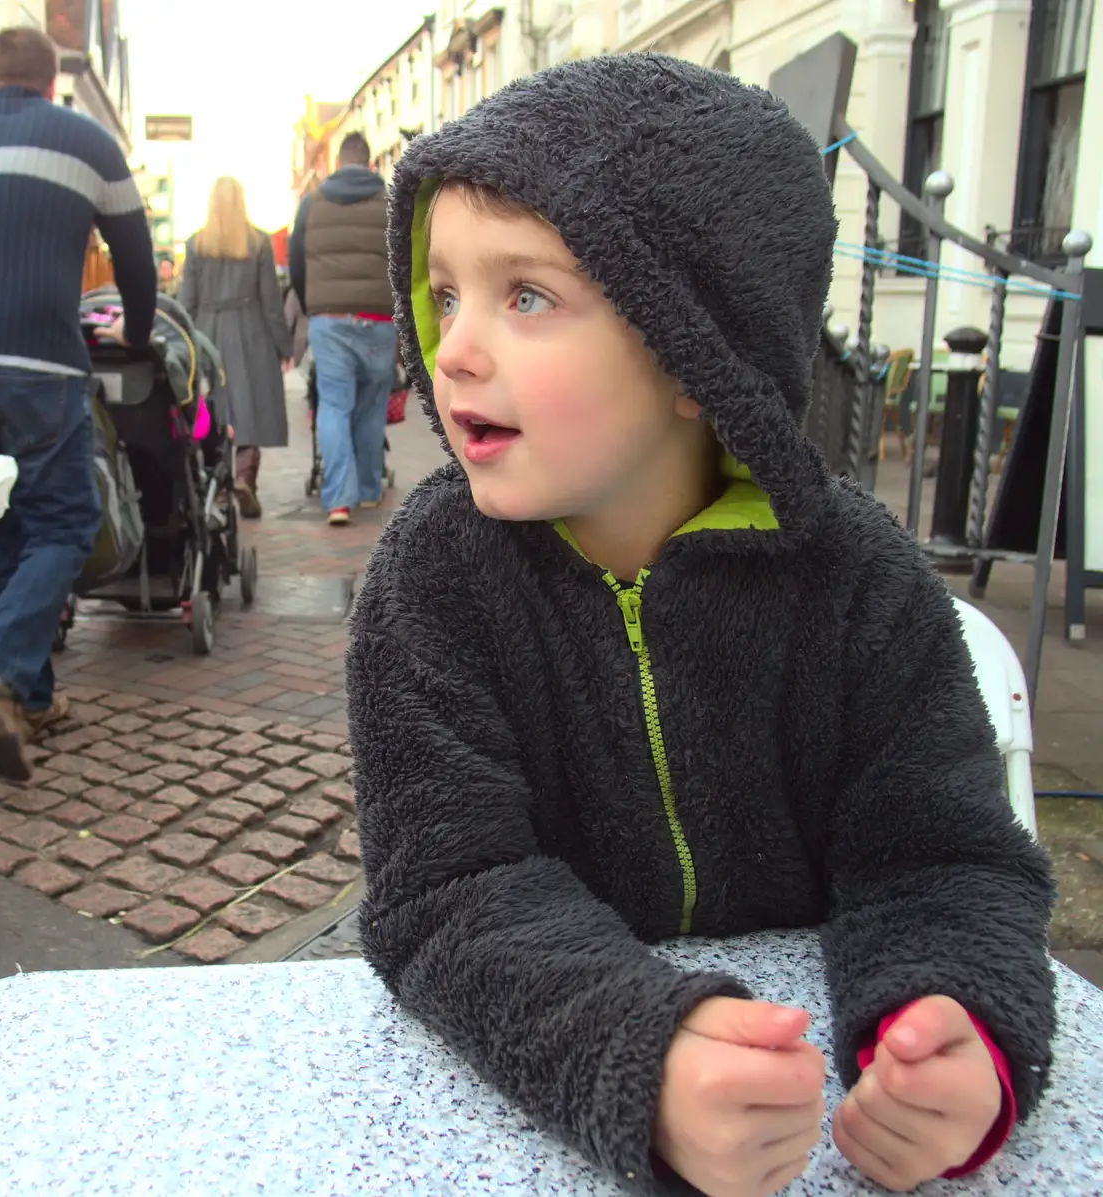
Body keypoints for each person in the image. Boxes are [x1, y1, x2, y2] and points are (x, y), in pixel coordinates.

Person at [348, 55, 1054, 1197]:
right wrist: (639, 1055)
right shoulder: (436, 584)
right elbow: (448, 893)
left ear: (696, 352)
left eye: (525, 295)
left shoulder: (857, 583)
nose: (453, 348)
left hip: (814, 1102)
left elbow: (944, 856)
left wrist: (954, 1034)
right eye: (444, 294)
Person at [0, 26, 155, 781]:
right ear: (52, 82)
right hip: (42, 364)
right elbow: (134, 251)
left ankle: (30, 694)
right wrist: (142, 331)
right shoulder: (83, 140)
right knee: (65, 521)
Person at [287, 132, 395, 527]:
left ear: (337, 161)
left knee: (333, 405)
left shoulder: (311, 204)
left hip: (328, 319)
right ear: (369, 162)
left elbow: (296, 261)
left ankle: (338, 500)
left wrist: (311, 302)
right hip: (380, 319)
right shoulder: (391, 203)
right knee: (370, 407)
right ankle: (368, 490)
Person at [179, 176, 290, 519]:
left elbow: (186, 300)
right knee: (249, 405)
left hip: (207, 330)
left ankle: (221, 485)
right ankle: (245, 478)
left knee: (216, 407)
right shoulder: (258, 243)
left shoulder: (196, 245)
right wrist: (282, 345)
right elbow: (271, 300)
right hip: (250, 329)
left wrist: (184, 346)